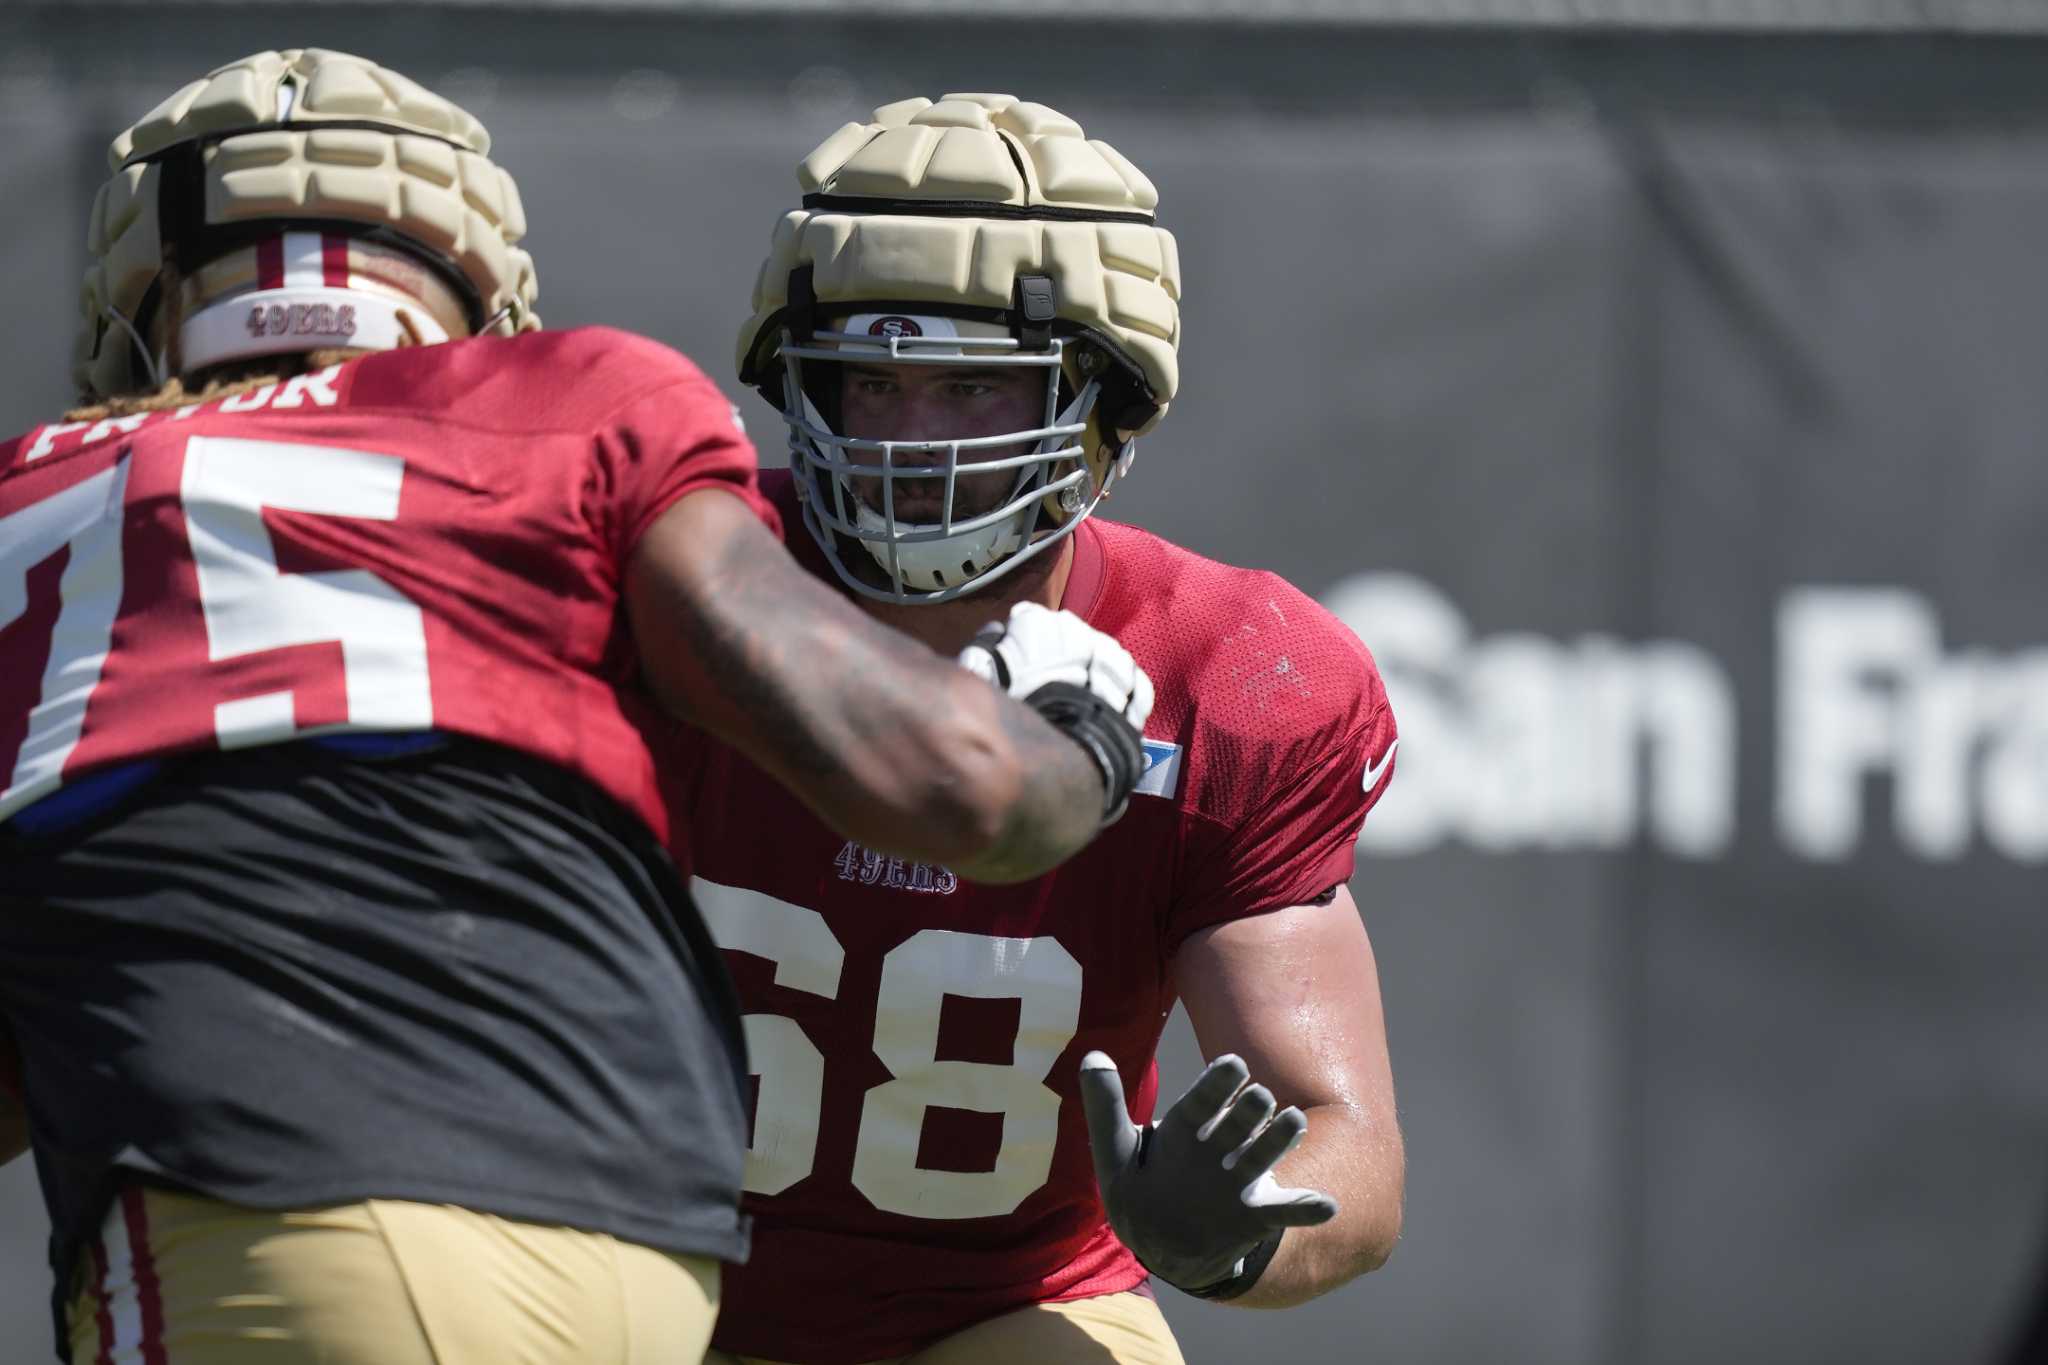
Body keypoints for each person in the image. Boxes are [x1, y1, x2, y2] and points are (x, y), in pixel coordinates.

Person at [0, 57, 1152, 1365]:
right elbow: (964, 785)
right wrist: (1080, 740)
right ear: (483, 289)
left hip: (278, 1213)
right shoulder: (579, 406)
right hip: (643, 1265)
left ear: (141, 297)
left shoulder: (38, 497)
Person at [666, 94, 1404, 1365]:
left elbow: (1341, 1139)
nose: (907, 443)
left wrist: (1232, 1235)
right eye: (869, 382)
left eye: (969, 386)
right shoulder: (672, 582)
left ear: (1106, 411)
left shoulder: (1234, 675)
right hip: (625, 1266)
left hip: (996, 1308)